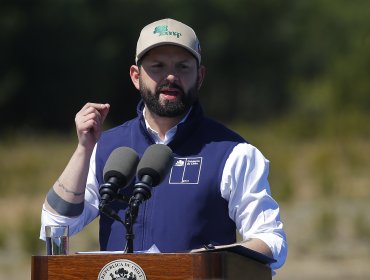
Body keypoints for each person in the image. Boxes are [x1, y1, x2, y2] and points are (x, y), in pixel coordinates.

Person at [40, 18, 287, 270]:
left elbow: (272, 242)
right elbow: (56, 226)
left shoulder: (233, 152)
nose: (171, 76)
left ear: (199, 77)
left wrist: (205, 262)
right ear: (136, 76)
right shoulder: (105, 147)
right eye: (157, 66)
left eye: (183, 67)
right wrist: (84, 148)